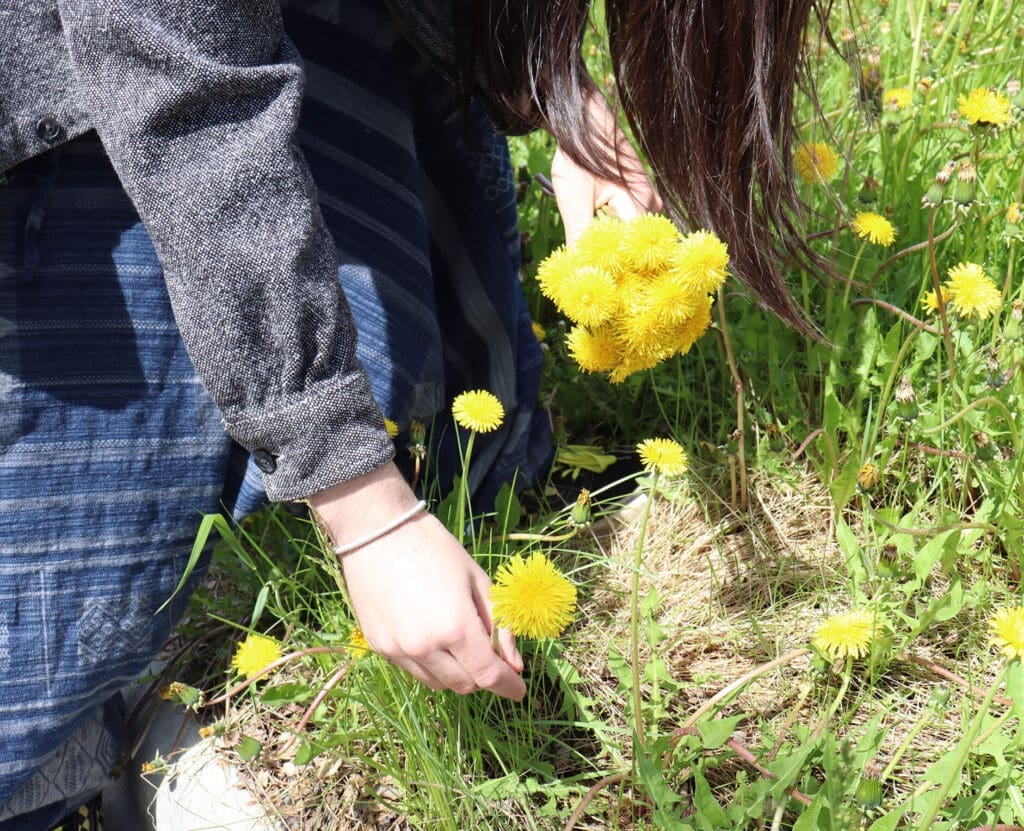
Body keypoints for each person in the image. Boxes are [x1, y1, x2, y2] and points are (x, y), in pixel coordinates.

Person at [0, 0, 819, 826]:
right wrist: (365, 510)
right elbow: (179, 83)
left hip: (210, 56)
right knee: (37, 685)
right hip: (94, 80)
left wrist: (564, 102)